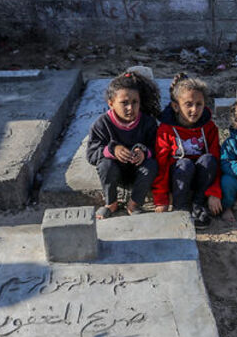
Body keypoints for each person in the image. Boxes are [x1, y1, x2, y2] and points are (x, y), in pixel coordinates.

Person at [86, 71, 161, 219]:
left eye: (135, 102)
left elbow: (157, 148)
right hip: (115, 173)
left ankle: (134, 204)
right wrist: (112, 150)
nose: (130, 108)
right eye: (124, 103)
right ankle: (111, 203)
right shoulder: (101, 124)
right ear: (111, 103)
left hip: (139, 172)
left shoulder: (148, 122)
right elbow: (91, 154)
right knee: (105, 165)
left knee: (151, 165)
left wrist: (144, 153)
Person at [153, 73, 223, 229]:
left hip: (200, 178)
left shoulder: (209, 128)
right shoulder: (166, 130)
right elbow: (162, 164)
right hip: (178, 178)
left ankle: (198, 203)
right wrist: (161, 198)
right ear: (176, 106)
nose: (194, 109)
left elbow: (217, 161)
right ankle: (181, 207)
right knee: (184, 164)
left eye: (199, 104)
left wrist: (214, 192)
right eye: (188, 104)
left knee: (209, 160)